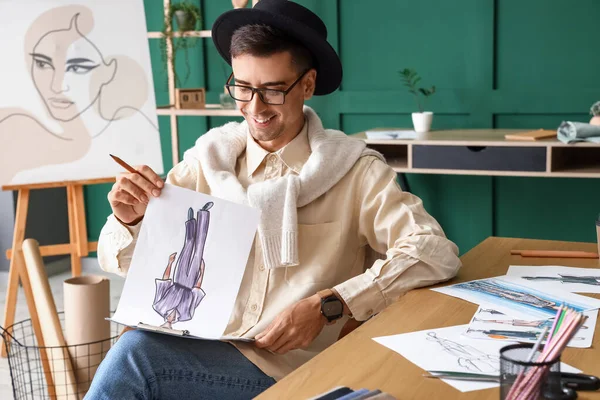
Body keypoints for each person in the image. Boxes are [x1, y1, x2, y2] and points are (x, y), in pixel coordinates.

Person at [86, 1, 461, 399]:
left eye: (273, 90)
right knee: (135, 351)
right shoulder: (206, 162)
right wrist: (130, 221)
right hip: (206, 344)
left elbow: (434, 252)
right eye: (243, 88)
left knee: (135, 360)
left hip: (294, 367)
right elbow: (121, 264)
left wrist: (330, 304)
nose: (255, 107)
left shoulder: (355, 170)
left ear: (308, 84)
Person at [0, 5, 162, 185]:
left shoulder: (132, 131)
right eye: (42, 64)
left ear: (107, 72)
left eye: (76, 67)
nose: (57, 85)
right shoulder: (11, 127)